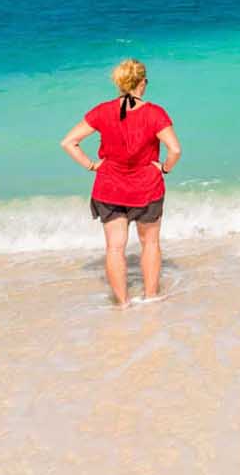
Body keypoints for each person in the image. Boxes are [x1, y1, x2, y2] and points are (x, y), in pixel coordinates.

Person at [60, 58, 182, 304]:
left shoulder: (102, 110)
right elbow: (175, 150)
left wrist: (92, 165)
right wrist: (165, 169)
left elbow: (69, 142)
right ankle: (150, 299)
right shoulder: (154, 113)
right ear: (142, 83)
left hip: (109, 188)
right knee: (150, 244)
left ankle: (123, 304)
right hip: (146, 188)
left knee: (115, 248)